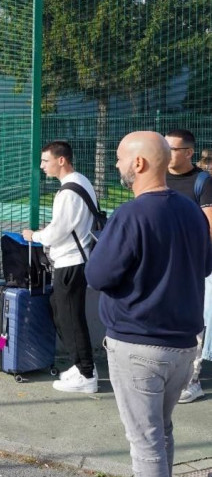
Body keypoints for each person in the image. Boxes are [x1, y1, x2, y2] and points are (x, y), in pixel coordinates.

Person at [86, 131, 211, 476]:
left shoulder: (131, 215)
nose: (117, 164)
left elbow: (97, 276)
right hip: (183, 347)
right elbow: (204, 265)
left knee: (145, 443)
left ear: (138, 163)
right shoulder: (191, 210)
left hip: (138, 345)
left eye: (120, 157)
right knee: (161, 431)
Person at [23, 141, 98, 394]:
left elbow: (58, 232)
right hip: (75, 259)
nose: (42, 166)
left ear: (61, 160)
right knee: (62, 311)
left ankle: (86, 373)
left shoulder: (67, 192)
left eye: (46, 161)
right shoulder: (80, 182)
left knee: (70, 318)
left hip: (71, 261)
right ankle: (81, 366)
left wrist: (34, 235)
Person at [163, 129, 212, 404]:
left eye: (172, 148)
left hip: (195, 268)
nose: (166, 152)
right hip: (164, 266)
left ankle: (192, 381)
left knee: (196, 323)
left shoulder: (202, 182)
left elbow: (209, 228)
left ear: (189, 152)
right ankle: (172, 374)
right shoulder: (158, 177)